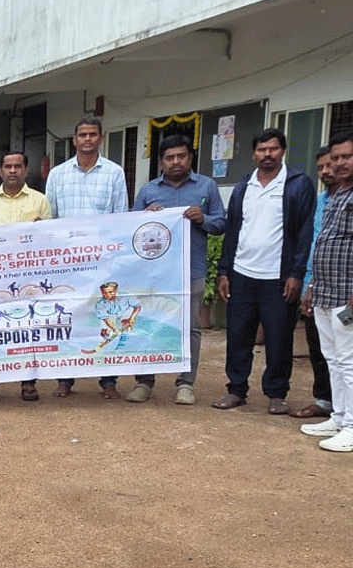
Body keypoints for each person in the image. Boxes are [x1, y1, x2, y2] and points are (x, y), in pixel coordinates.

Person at [212, 128, 315, 414]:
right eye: (261, 150)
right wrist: (224, 270)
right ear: (254, 153)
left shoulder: (297, 184)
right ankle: (236, 390)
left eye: (272, 149)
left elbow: (305, 233)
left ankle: (277, 393)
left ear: (282, 151)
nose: (267, 155)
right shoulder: (245, 185)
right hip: (242, 273)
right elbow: (232, 230)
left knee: (279, 337)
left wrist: (296, 273)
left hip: (278, 277)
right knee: (238, 335)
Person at [124, 135, 226, 405]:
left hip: (191, 270)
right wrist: (146, 216)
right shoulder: (148, 191)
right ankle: (144, 382)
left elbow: (221, 223)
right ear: (161, 162)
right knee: (148, 325)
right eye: (170, 158)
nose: (176, 162)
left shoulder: (207, 187)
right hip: (153, 273)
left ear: (190, 158)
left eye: (181, 156)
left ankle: (185, 383)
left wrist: (202, 219)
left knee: (190, 327)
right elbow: (130, 228)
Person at [45, 116, 129, 399]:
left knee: (105, 318)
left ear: (101, 138)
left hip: (103, 262)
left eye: (93, 134)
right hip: (67, 264)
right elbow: (50, 220)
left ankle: (108, 380)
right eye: (83, 135)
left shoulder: (114, 173)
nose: (88, 139)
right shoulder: (58, 175)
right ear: (74, 139)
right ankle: (65, 378)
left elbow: (121, 219)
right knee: (67, 318)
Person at [0, 152, 52, 402]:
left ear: (26, 170)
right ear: (0, 171)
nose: (12, 170)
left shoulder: (40, 201)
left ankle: (28, 383)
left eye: (17, 166)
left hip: (29, 275)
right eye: (7, 166)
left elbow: (48, 239)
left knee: (28, 328)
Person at [299, 133, 353, 451]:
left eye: (347, 156)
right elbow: (325, 244)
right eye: (335, 158)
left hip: (346, 295)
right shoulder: (335, 196)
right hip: (324, 292)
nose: (339, 163)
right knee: (332, 358)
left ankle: (352, 425)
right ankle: (339, 416)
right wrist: (312, 286)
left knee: (348, 361)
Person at [292, 148, 336, 419]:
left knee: (346, 355)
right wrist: (306, 285)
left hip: (344, 290)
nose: (326, 172)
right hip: (315, 288)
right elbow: (310, 245)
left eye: (330, 165)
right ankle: (325, 401)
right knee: (320, 350)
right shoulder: (318, 202)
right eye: (320, 167)